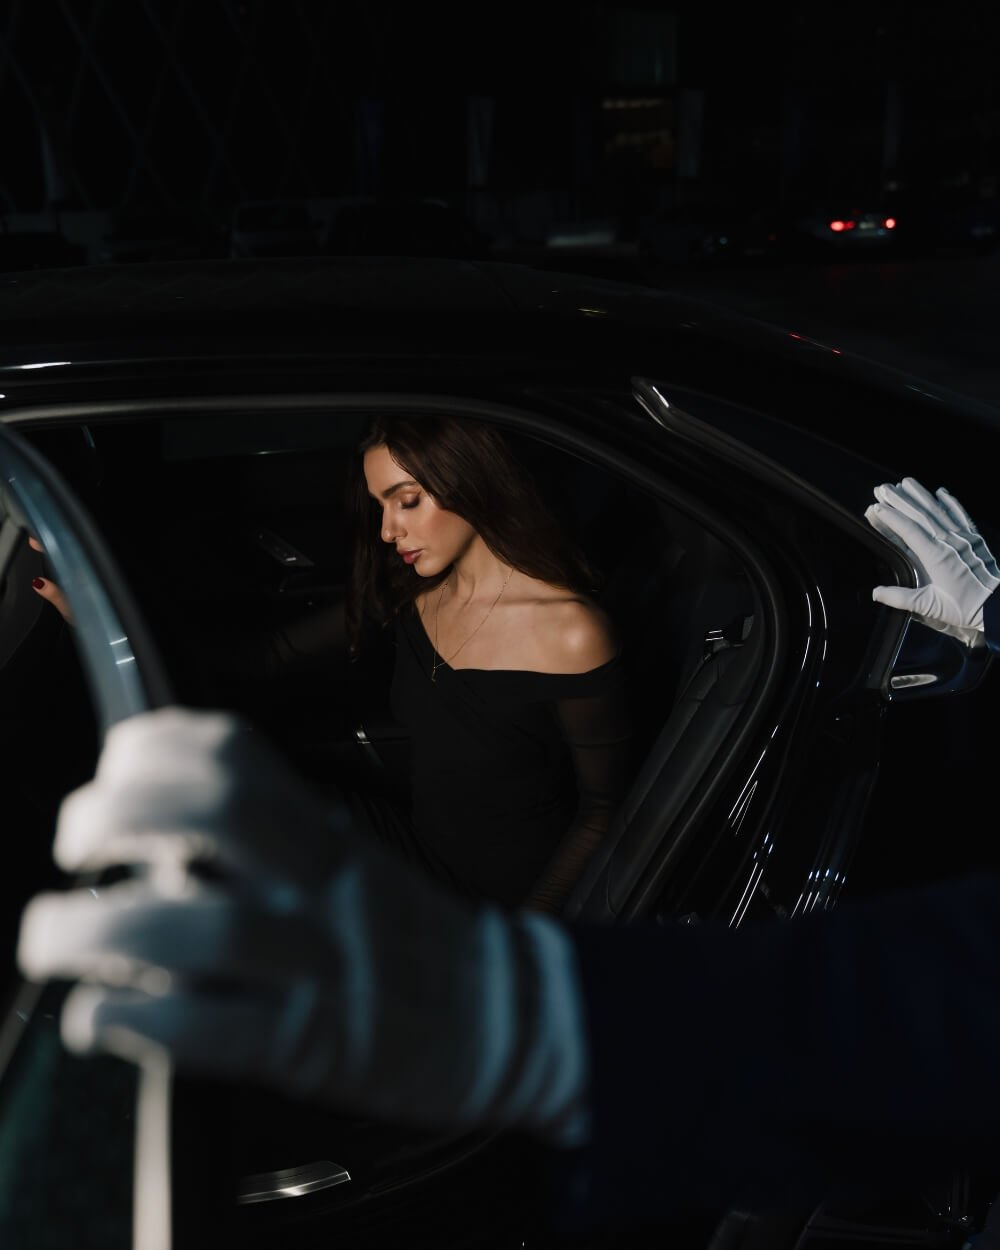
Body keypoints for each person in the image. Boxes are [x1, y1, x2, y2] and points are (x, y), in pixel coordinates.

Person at [30, 416, 633, 916]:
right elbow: (258, 659)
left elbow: (603, 811)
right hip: (419, 851)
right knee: (231, 797)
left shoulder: (571, 631)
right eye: (379, 506)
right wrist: (96, 606)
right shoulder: (415, 595)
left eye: (407, 501)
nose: (389, 529)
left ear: (470, 483)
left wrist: (529, 928)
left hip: (505, 897)